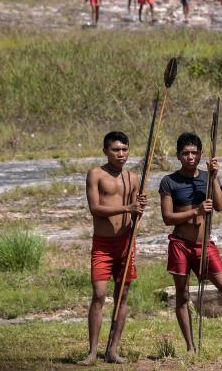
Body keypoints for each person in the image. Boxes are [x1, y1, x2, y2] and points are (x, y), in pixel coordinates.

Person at [159, 132, 222, 354]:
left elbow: (220, 205)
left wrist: (214, 177)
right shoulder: (169, 181)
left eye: (194, 153)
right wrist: (196, 211)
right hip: (180, 244)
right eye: (185, 153)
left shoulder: (208, 177)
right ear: (178, 155)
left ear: (201, 155)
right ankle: (190, 347)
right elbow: (167, 218)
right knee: (183, 295)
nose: (190, 157)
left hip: (205, 245)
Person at [82, 131, 147, 365]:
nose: (121, 154)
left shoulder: (132, 177)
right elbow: (95, 209)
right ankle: (91, 352)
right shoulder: (96, 174)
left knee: (122, 296)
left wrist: (139, 208)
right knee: (99, 295)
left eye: (125, 149)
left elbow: (136, 211)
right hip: (103, 244)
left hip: (126, 243)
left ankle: (112, 350)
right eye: (116, 150)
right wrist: (127, 208)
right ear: (105, 151)